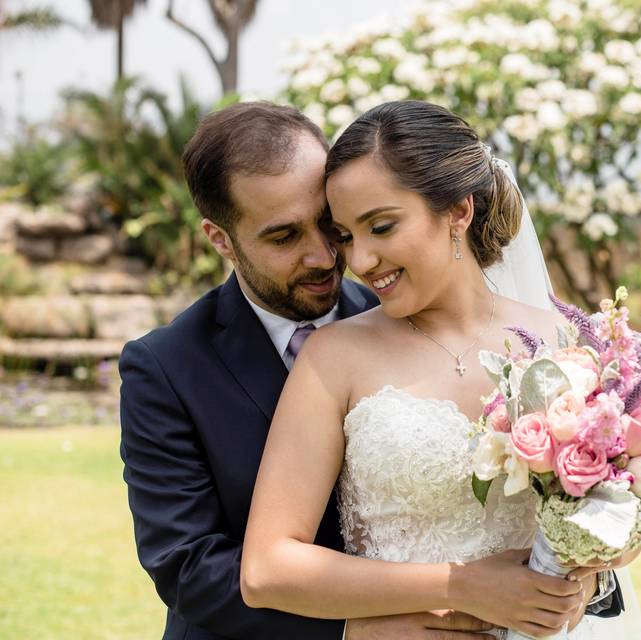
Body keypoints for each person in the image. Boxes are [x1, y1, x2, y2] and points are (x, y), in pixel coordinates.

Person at [240, 100, 641, 638]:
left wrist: (585, 580)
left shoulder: (565, 341)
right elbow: (268, 569)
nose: (360, 261)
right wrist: (456, 585)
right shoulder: (332, 357)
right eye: (346, 236)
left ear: (458, 210)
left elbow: (616, 515)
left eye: (381, 227)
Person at [119, 101, 504, 639]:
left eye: (330, 225)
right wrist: (355, 629)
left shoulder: (404, 313)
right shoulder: (165, 367)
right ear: (220, 239)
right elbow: (188, 564)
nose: (324, 256)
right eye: (284, 237)